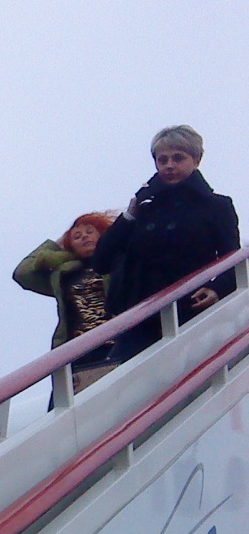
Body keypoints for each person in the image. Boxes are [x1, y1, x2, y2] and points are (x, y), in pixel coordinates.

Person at [92, 125, 240, 362]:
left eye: (178, 158)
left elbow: (232, 258)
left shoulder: (216, 206)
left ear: (196, 160)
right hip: (140, 316)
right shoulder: (144, 209)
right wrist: (128, 216)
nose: (169, 165)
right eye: (162, 160)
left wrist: (217, 289)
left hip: (190, 310)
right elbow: (101, 262)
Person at [13, 212, 117, 399]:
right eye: (76, 236)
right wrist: (59, 243)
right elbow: (22, 274)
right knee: (67, 403)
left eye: (89, 231)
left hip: (114, 342)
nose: (84, 236)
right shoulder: (63, 274)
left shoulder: (118, 262)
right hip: (75, 349)